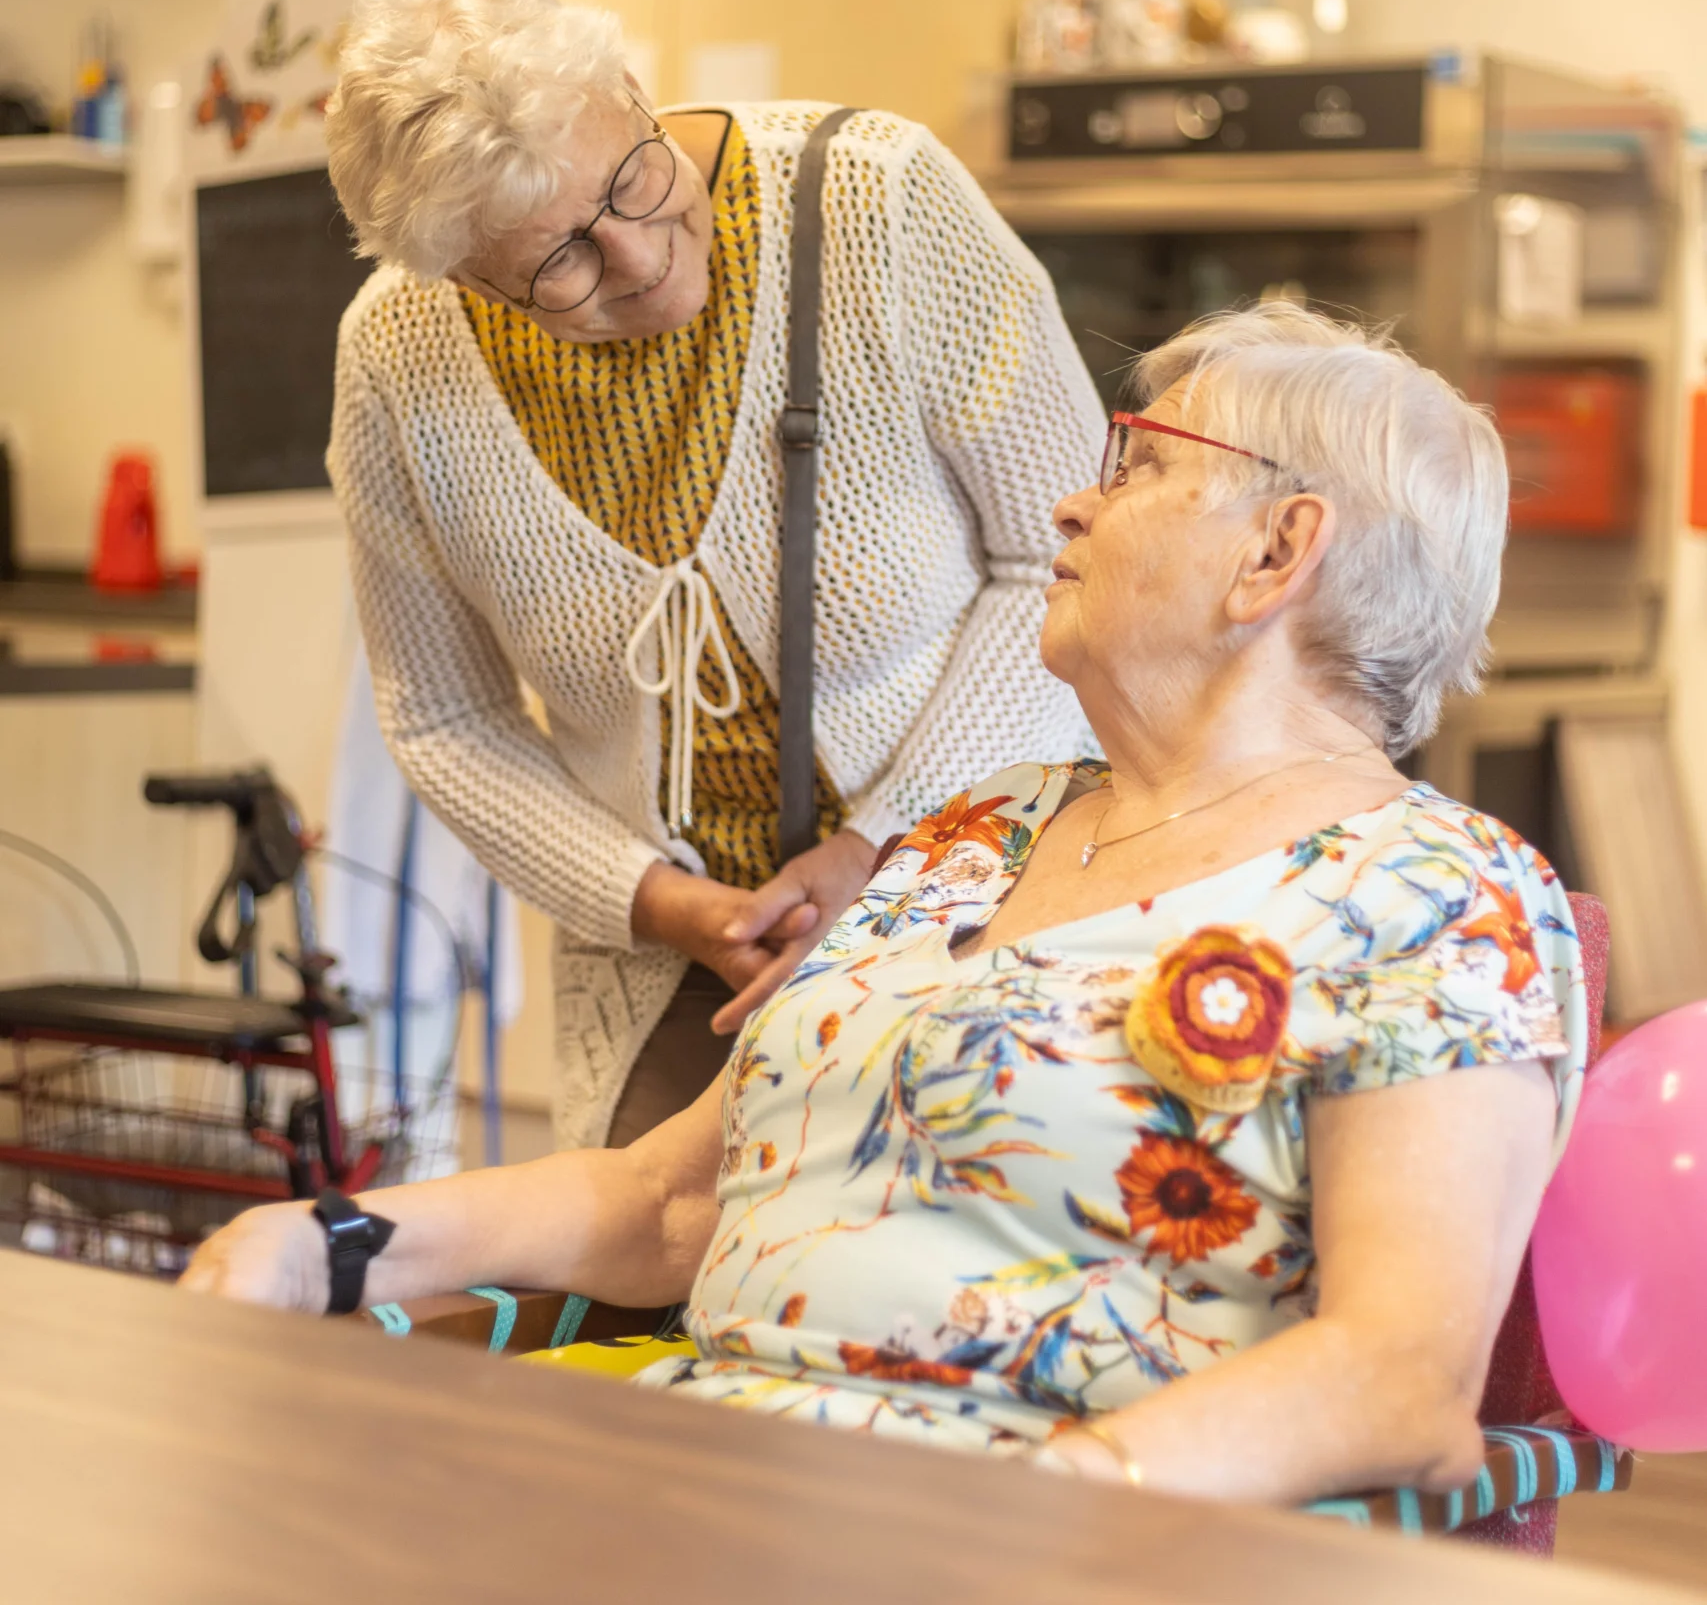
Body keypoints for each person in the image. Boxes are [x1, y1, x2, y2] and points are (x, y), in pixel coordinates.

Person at [189, 303, 1582, 1510]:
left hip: (1037, 1580)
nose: (1068, 503)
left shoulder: (1433, 900)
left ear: (1275, 554)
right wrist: (327, 1237)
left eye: (1143, 464)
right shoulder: (972, 835)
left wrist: (1048, 1508)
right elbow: (666, 1201)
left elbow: (1395, 1373)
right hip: (695, 1489)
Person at [322, 0, 1103, 1148]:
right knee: (648, 1297)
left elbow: (1069, 553)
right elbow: (442, 716)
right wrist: (665, 904)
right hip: (678, 960)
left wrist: (880, 849)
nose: (637, 257)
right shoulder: (398, 354)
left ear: (633, 92)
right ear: (463, 279)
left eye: (631, 178)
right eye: (560, 265)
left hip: (976, 888)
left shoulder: (875, 201)